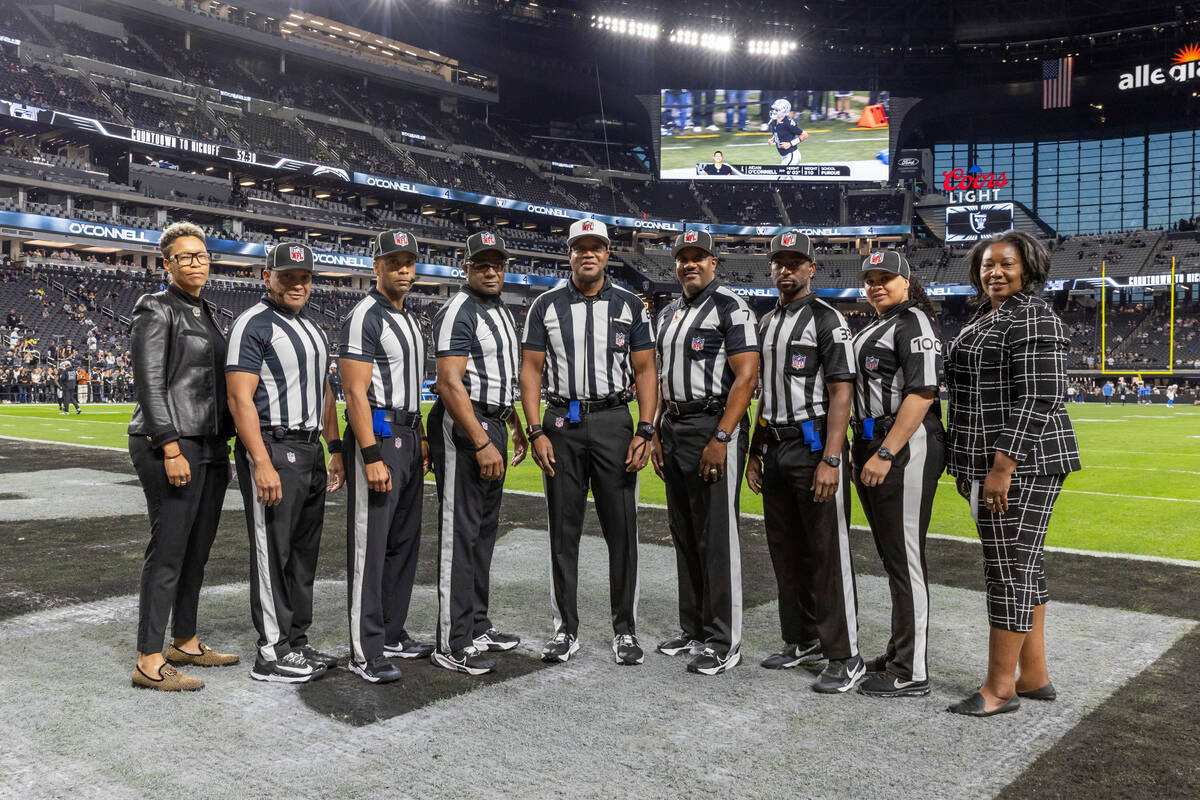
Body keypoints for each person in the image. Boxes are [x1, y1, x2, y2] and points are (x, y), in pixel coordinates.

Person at [945, 231, 1081, 717]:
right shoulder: (989, 313)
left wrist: (1002, 466)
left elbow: (1039, 396)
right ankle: (1034, 675)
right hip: (990, 460)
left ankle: (999, 689)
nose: (995, 272)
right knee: (1024, 565)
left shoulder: (1033, 313)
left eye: (1006, 264)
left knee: (1007, 571)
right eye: (987, 265)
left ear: (1028, 267)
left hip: (1023, 462)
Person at [519, 219, 658, 666]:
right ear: (570, 254)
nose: (588, 254)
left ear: (607, 253)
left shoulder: (631, 305)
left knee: (623, 532)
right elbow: (532, 371)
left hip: (615, 421)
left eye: (596, 247)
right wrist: (536, 428)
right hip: (562, 422)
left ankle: (625, 630)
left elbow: (645, 371)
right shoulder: (545, 305)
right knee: (564, 532)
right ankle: (565, 629)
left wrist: (646, 429)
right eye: (580, 248)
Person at [744, 232, 862, 693]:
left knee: (827, 552)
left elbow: (841, 392)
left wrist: (832, 457)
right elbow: (763, 396)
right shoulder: (766, 321)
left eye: (796, 263)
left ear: (812, 268)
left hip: (815, 446)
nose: (786, 270)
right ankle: (803, 638)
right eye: (779, 262)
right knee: (786, 551)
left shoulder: (827, 319)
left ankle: (846, 654)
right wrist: (756, 450)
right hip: (775, 445)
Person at [226, 241, 345, 684]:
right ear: (267, 277)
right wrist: (260, 461)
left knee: (302, 553)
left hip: (310, 446)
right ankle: (271, 650)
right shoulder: (252, 324)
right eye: (288, 275)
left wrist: (334, 449)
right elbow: (239, 398)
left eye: (304, 277)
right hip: (274, 446)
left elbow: (326, 393)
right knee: (272, 549)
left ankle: (297, 641)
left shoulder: (313, 329)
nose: (297, 283)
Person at [127, 221, 238, 691]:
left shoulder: (207, 312)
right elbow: (150, 384)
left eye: (202, 255)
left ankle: (185, 640)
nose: (196, 263)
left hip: (211, 445)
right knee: (170, 548)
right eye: (186, 256)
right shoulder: (156, 307)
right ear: (167, 263)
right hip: (171, 443)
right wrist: (170, 446)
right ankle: (149, 659)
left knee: (197, 550)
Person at [650, 230, 759, 676]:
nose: (690, 265)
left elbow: (747, 376)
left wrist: (723, 437)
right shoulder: (669, 312)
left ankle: (724, 638)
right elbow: (658, 376)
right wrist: (655, 430)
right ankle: (694, 627)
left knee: (716, 535)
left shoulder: (732, 306)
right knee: (685, 531)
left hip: (713, 424)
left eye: (699, 258)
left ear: (715, 263)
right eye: (683, 258)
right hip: (674, 425)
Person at [428, 232, 528, 676]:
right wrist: (482, 440)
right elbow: (450, 383)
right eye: (481, 264)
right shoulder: (458, 310)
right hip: (467, 427)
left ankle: (476, 625)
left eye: (497, 264)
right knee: (460, 532)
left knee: (484, 533)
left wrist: (514, 425)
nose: (491, 271)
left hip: (494, 420)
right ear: (464, 267)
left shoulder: (502, 311)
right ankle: (452, 640)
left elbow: (501, 378)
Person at [847, 251, 945, 698]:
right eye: (870, 279)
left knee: (905, 560)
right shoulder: (875, 325)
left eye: (886, 278)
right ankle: (898, 651)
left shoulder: (914, 322)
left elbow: (922, 392)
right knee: (892, 558)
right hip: (872, 441)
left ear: (907, 281)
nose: (876, 285)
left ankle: (912, 670)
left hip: (903, 445)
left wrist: (886, 450)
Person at [339, 229, 434, 684]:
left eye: (409, 261)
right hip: (378, 434)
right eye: (393, 261)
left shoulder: (411, 319)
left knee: (403, 542)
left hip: (408, 434)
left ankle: (392, 632)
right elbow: (355, 393)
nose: (403, 269)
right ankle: (364, 649)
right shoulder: (365, 316)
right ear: (375, 266)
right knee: (370, 546)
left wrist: (421, 439)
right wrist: (370, 454)